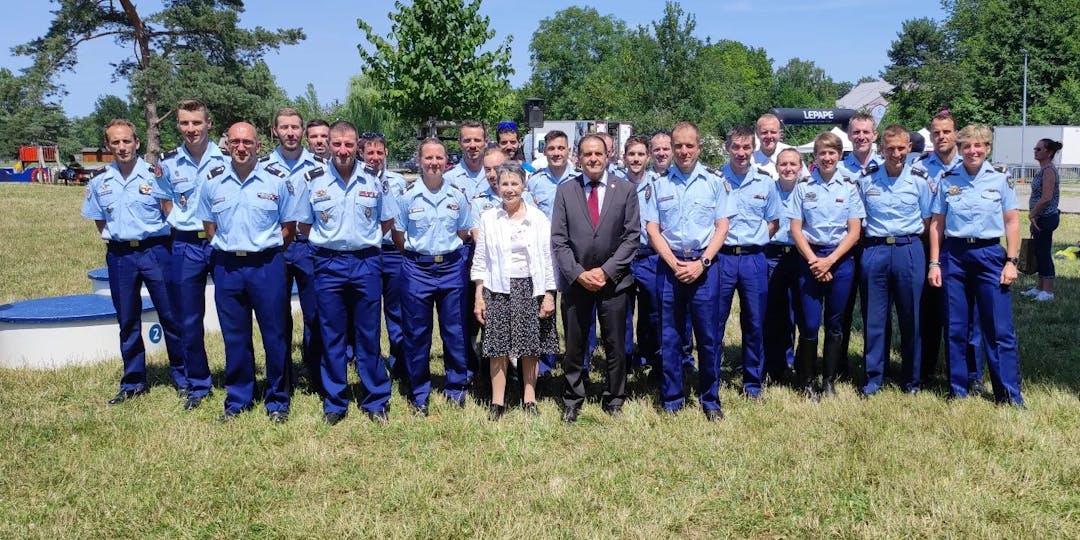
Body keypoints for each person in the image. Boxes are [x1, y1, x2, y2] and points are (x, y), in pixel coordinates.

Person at [197, 122, 301, 423]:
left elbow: (288, 228)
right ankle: (239, 398)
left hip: (267, 265)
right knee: (235, 336)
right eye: (235, 142)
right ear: (227, 145)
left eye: (247, 142)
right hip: (228, 266)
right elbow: (209, 225)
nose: (241, 148)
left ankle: (278, 400)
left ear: (259, 146)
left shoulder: (277, 180)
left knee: (275, 335)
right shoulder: (213, 181)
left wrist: (264, 248)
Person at [82, 119, 187, 405]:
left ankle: (183, 378)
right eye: (115, 142)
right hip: (120, 255)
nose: (122, 147)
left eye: (126, 141)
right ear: (108, 147)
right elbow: (99, 219)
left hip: (156, 250)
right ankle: (133, 382)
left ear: (137, 143)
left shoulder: (155, 175)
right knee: (127, 319)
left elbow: (169, 213)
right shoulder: (99, 181)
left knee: (170, 316)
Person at [298, 121, 395, 425]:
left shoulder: (373, 178)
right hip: (328, 264)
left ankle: (375, 399)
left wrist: (361, 240)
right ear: (327, 144)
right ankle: (335, 402)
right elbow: (304, 224)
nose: (342, 150)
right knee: (332, 334)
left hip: (366, 262)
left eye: (348, 145)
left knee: (368, 333)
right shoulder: (312, 180)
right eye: (336, 144)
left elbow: (386, 221)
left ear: (357, 146)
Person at [927, 124, 1024, 407]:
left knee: (998, 329)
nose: (972, 151)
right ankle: (958, 390)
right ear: (960, 149)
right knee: (956, 327)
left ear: (987, 149)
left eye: (978, 145)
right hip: (954, 256)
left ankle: (1007, 394)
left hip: (989, 255)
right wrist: (934, 262)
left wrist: (1011, 261)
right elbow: (937, 224)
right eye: (967, 146)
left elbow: (1012, 221)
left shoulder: (999, 179)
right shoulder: (947, 179)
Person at [643, 121, 733, 420]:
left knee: (708, 337)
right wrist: (673, 263)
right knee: (669, 335)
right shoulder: (658, 184)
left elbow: (722, 226)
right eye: (678, 145)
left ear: (699, 147)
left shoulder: (714, 182)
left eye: (689, 145)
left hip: (705, 267)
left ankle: (710, 399)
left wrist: (702, 263)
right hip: (670, 266)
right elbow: (652, 229)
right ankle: (672, 399)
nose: (683, 151)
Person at [551, 134, 639, 422]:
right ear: (578, 158)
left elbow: (631, 237)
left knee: (615, 344)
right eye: (587, 154)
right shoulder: (565, 191)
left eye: (598, 154)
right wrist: (578, 273)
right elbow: (559, 240)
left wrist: (606, 271)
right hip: (577, 283)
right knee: (575, 345)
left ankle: (614, 398)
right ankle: (573, 398)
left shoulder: (625, 190)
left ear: (607, 157)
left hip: (614, 282)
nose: (593, 159)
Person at [155, 99, 229, 410]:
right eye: (185, 123)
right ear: (178, 126)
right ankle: (198, 384)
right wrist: (183, 224)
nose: (191, 129)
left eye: (196, 122)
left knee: (232, 315)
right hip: (185, 245)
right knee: (188, 318)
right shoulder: (168, 163)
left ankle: (240, 378)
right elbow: (165, 202)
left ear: (208, 124)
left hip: (221, 243)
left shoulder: (226, 158)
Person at [392, 138, 473, 416]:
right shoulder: (407, 196)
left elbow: (463, 232)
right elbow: (399, 236)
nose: (434, 163)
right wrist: (423, 256)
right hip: (417, 269)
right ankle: (419, 393)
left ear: (446, 160)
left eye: (439, 158)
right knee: (416, 333)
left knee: (455, 331)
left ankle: (456, 388)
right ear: (419, 160)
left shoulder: (457, 195)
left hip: (451, 268)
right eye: (428, 158)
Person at [472, 163, 558, 420]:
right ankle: (497, 402)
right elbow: (481, 259)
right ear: (497, 186)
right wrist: (479, 295)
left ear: (523, 186)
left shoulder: (538, 218)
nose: (509, 189)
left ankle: (528, 399)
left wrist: (549, 294)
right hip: (497, 288)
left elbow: (547, 257)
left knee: (529, 346)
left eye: (514, 184)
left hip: (530, 287)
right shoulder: (488, 217)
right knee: (497, 347)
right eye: (504, 184)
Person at [788, 131, 865, 400]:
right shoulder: (803, 186)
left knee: (835, 322)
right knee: (809, 323)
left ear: (839, 155)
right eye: (822, 153)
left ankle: (829, 381)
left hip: (840, 259)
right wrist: (814, 261)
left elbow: (854, 231)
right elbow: (796, 229)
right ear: (815, 156)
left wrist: (830, 261)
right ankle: (807, 382)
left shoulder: (849, 186)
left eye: (832, 153)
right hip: (810, 259)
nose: (827, 158)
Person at [857, 125, 933, 396]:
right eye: (890, 148)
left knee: (911, 315)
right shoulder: (867, 180)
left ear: (909, 148)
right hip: (875, 250)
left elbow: (927, 220)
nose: (896, 153)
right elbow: (859, 219)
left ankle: (911, 379)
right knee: (874, 318)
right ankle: (874, 378)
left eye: (901, 148)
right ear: (882, 149)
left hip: (908, 248)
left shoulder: (920, 179)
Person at [912, 111, 984, 392]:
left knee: (968, 315)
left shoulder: (969, 163)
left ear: (956, 134)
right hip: (925, 244)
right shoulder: (919, 166)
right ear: (931, 136)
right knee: (927, 312)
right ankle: (926, 370)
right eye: (936, 133)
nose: (941, 136)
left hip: (958, 245)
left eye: (946, 132)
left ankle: (972, 374)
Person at [262, 107, 328, 396]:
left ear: (303, 131)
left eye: (295, 127)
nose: (290, 133)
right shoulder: (261, 166)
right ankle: (282, 379)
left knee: (315, 315)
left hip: (309, 248)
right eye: (284, 127)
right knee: (276, 316)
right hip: (274, 248)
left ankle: (316, 375)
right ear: (274, 131)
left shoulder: (320, 166)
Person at [718, 126, 781, 399]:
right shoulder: (716, 179)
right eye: (736, 147)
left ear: (753, 149)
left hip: (755, 258)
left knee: (755, 323)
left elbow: (773, 222)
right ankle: (712, 377)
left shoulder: (765, 182)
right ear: (727, 147)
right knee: (714, 322)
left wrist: (754, 240)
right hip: (722, 258)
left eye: (746, 148)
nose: (741, 153)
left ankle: (752, 382)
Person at [526, 130, 576, 376]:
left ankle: (576, 361)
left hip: (572, 253)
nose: (556, 153)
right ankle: (545, 364)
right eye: (552, 149)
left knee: (573, 310)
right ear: (545, 151)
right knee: (542, 308)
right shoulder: (534, 182)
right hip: (542, 254)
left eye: (561, 148)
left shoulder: (579, 178)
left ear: (569, 150)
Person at [361, 132, 410, 384]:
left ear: (386, 153)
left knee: (396, 311)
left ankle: (399, 361)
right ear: (362, 154)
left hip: (392, 253)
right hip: (367, 254)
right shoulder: (358, 180)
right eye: (370, 153)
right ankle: (369, 363)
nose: (375, 157)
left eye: (379, 152)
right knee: (367, 313)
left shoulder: (399, 181)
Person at [837, 113, 883, 370]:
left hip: (874, 245)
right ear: (849, 135)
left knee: (875, 310)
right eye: (856, 132)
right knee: (843, 308)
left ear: (874, 135)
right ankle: (839, 363)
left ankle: (875, 364)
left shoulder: (886, 165)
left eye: (866, 132)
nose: (861, 137)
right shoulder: (839, 168)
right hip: (845, 246)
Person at [650, 130, 696, 374]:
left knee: (689, 313)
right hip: (659, 257)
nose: (661, 153)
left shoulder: (706, 180)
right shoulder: (651, 183)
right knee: (658, 314)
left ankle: (686, 359)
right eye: (656, 149)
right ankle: (657, 360)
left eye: (665, 149)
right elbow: (651, 227)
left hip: (693, 259)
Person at [763, 148, 804, 383]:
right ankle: (774, 363)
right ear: (776, 167)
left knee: (799, 311)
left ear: (800, 166)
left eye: (793, 164)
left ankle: (796, 362)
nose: (788, 168)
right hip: (773, 252)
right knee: (773, 311)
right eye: (783, 164)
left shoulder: (807, 190)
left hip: (800, 254)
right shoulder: (769, 189)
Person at [622, 136, 659, 377]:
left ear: (648, 157)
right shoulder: (615, 184)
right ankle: (623, 362)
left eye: (640, 154)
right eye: (631, 154)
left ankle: (650, 357)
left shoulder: (658, 183)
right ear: (624, 157)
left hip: (649, 256)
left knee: (653, 311)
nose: (636, 159)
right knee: (622, 313)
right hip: (623, 258)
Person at [1020, 138, 1063, 302]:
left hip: (1046, 217)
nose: (1035, 151)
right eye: (1035, 149)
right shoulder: (1043, 169)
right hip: (1040, 217)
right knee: (1039, 251)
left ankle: (1048, 290)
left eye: (1039, 149)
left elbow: (1046, 197)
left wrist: (1033, 214)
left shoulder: (1049, 171)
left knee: (1044, 252)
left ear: (1049, 152)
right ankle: (1039, 287)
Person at [752, 113, 808, 179]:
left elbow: (806, 182)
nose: (769, 136)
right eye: (764, 132)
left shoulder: (793, 156)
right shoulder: (750, 160)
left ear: (780, 134)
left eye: (773, 132)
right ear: (757, 134)